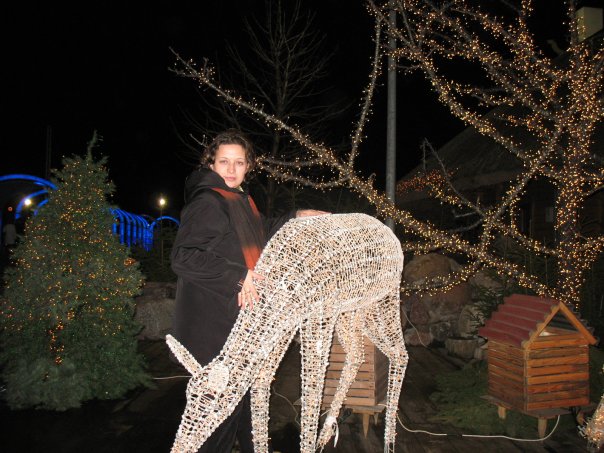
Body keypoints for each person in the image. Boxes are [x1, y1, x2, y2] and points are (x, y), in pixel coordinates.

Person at [170, 129, 326, 453]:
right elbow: (183, 256)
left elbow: (261, 229)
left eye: (239, 162)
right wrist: (239, 276)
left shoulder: (238, 199)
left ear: (248, 166)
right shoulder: (209, 201)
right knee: (218, 418)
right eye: (223, 162)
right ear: (211, 164)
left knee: (243, 409)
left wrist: (296, 216)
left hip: (239, 324)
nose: (231, 169)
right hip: (214, 327)